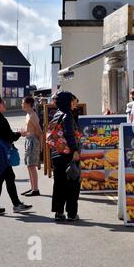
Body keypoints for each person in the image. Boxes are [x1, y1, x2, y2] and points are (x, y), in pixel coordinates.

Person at [0, 95, 32, 215]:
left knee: (3, 179)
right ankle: (15, 205)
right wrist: (20, 134)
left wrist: (16, 134)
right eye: (2, 103)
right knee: (7, 178)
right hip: (2, 154)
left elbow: (2, 135)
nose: (5, 105)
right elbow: (8, 136)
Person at [51, 91, 81, 222]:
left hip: (57, 154)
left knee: (59, 184)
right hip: (68, 154)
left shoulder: (56, 114)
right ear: (67, 102)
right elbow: (69, 134)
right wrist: (75, 150)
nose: (75, 104)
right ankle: (72, 213)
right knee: (72, 184)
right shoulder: (68, 115)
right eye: (73, 101)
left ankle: (58, 212)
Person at [20, 96, 42, 197]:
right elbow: (30, 129)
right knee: (29, 165)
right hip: (29, 140)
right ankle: (32, 187)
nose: (21, 104)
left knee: (32, 165)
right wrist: (25, 133)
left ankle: (36, 189)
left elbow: (39, 131)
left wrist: (39, 146)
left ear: (28, 104)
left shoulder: (33, 115)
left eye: (23, 103)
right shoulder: (28, 114)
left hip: (33, 141)